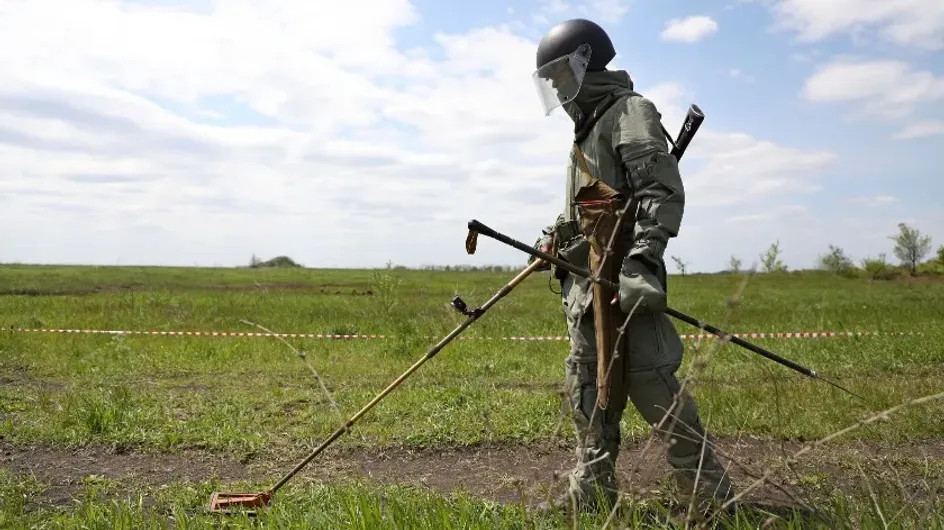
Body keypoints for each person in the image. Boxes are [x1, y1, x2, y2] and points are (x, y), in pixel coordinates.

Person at [528, 18, 735, 516]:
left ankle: (712, 501)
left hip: (623, 285)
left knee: (654, 389)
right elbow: (586, 209)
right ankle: (593, 492)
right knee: (588, 392)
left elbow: (659, 193)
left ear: (584, 62)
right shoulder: (587, 129)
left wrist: (642, 262)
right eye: (549, 78)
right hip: (585, 291)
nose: (555, 85)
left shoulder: (629, 112)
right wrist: (553, 240)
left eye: (559, 73)